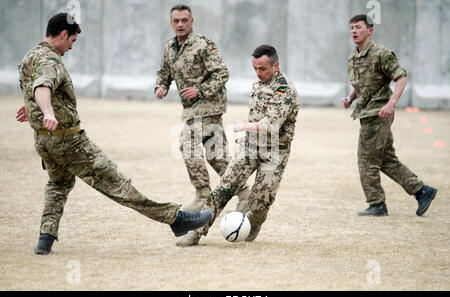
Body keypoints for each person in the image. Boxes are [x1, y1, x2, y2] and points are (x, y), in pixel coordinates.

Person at [16, 12, 211, 255]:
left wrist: (32, 107)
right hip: (69, 141)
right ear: (64, 34)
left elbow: (31, 85)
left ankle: (45, 238)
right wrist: (47, 111)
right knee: (119, 186)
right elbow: (42, 84)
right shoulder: (51, 61)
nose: (70, 47)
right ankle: (177, 220)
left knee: (58, 184)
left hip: (43, 141)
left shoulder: (30, 56)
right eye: (72, 41)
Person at [176, 44, 300, 246]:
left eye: (263, 69)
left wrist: (245, 125)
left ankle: (253, 223)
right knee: (223, 188)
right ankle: (196, 232)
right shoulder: (258, 85)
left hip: (275, 152)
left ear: (275, 65)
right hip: (250, 147)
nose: (258, 73)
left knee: (260, 202)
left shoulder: (285, 89)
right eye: (255, 68)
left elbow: (272, 124)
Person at [154, 4, 249, 217]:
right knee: (217, 156)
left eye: (184, 20)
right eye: (176, 21)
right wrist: (161, 87)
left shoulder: (203, 45)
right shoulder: (170, 47)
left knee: (186, 143)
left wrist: (199, 90)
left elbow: (222, 73)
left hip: (209, 105)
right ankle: (245, 193)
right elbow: (164, 72)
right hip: (190, 109)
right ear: (171, 22)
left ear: (191, 22)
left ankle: (202, 193)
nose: (180, 24)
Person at [342, 14, 437, 216]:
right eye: (351, 28)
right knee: (386, 160)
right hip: (366, 113)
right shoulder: (354, 56)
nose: (354, 31)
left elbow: (401, 77)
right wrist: (351, 97)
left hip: (379, 113)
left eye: (358, 27)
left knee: (366, 161)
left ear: (370, 30)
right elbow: (362, 85)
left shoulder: (381, 53)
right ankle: (422, 191)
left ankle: (377, 204)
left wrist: (392, 103)